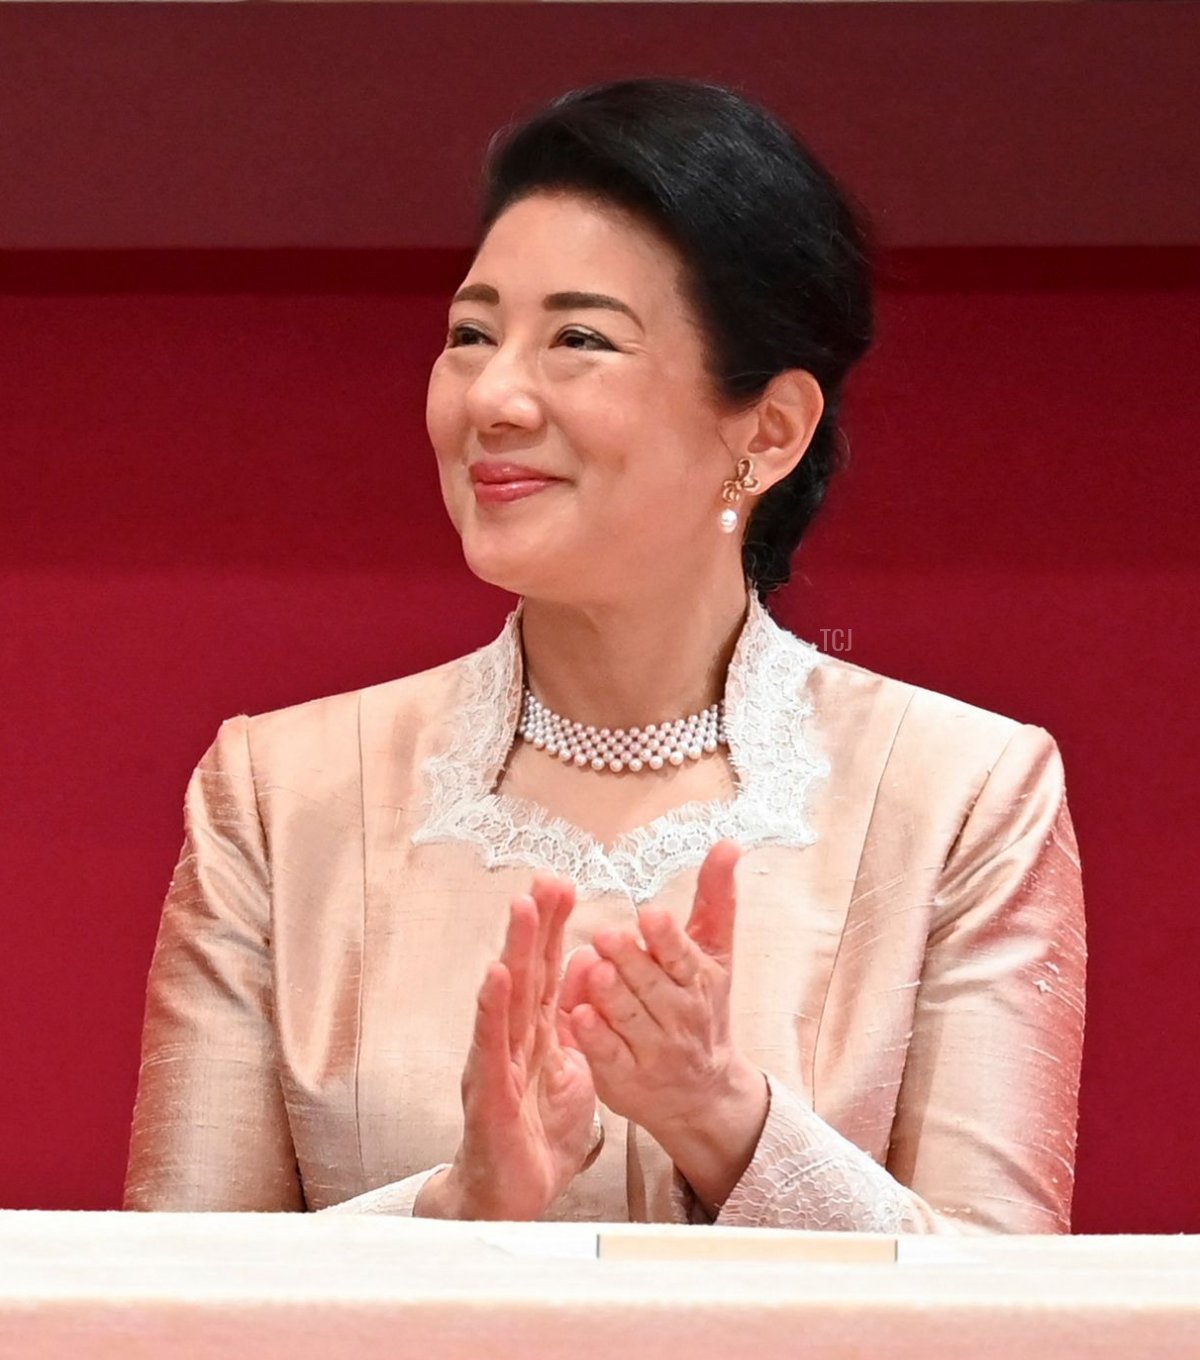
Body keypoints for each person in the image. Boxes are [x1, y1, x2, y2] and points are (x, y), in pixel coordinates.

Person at [123, 78, 1086, 1233]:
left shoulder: (964, 796)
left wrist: (725, 1120)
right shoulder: (278, 798)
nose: (494, 397)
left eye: (579, 339)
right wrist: (456, 1208)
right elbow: (175, 1293)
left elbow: (1010, 1305)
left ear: (769, 430)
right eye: (471, 335)